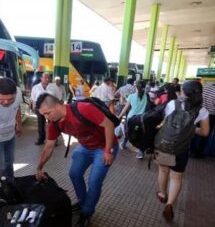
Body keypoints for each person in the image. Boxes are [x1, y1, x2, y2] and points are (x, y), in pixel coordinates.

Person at [35, 93, 118, 227]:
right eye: (43, 115)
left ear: (57, 105)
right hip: (85, 147)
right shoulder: (54, 124)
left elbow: (109, 125)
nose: (46, 118)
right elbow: (48, 147)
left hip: (105, 147)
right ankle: (83, 201)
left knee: (94, 181)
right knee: (74, 174)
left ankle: (87, 212)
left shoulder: (83, 108)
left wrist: (108, 151)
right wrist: (39, 167)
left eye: (47, 113)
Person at [156, 81, 209, 223]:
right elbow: (205, 132)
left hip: (165, 145)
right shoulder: (202, 111)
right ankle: (170, 204)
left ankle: (162, 194)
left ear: (183, 91)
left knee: (163, 171)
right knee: (177, 177)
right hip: (182, 148)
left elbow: (165, 122)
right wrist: (191, 129)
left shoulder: (172, 104)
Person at [117, 81, 148, 155]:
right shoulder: (146, 96)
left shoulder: (131, 96)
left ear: (135, 87)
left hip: (131, 118)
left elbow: (125, 108)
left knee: (129, 131)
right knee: (136, 132)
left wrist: (120, 116)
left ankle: (124, 144)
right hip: (140, 119)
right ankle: (140, 151)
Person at [31, 73, 56, 145]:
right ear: (41, 78)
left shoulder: (53, 87)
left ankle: (53, 139)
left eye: (48, 78)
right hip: (40, 109)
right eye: (45, 78)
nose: (47, 79)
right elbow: (33, 99)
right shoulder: (35, 87)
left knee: (52, 124)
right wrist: (33, 107)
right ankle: (41, 139)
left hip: (51, 108)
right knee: (41, 124)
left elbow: (58, 98)